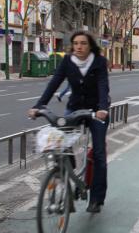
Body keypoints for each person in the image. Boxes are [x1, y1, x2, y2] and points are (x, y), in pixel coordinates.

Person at [28, 31, 110, 214]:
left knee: (98, 154)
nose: (79, 46)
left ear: (90, 46)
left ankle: (96, 199)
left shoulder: (99, 62)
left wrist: (102, 108)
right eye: (75, 43)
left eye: (83, 43)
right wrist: (38, 106)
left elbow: (103, 85)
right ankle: (69, 171)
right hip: (74, 108)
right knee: (61, 143)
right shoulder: (67, 61)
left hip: (96, 110)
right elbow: (54, 83)